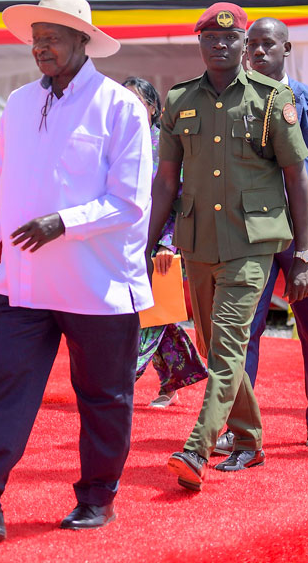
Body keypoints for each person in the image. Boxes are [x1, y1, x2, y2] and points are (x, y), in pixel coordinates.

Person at [0, 0, 153, 541]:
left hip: (97, 285)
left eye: (52, 39)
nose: (40, 48)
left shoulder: (120, 107)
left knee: (104, 398)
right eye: (35, 39)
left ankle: (97, 499)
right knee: (2, 390)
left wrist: (63, 222)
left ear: (82, 41)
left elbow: (130, 201)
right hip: (22, 283)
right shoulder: (20, 103)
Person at [151, 3, 308, 492]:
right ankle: (249, 439)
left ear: (244, 44)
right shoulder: (179, 100)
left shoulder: (272, 99)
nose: (220, 45)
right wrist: (145, 244)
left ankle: (197, 447)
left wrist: (304, 255)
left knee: (226, 346)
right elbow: (165, 181)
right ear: (199, 42)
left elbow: (297, 178)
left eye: (230, 38)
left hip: (251, 243)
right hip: (197, 241)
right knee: (211, 345)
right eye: (210, 38)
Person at [213, 17, 308, 452]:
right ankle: (240, 428)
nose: (256, 51)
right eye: (251, 44)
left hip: (307, 237)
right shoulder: (232, 101)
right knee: (245, 329)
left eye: (267, 44)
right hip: (251, 234)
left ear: (286, 49)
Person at [123, 77, 207, 408]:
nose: (128, 108)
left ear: (154, 109)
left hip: (161, 246)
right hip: (124, 244)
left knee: (148, 315)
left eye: (136, 102)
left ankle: (121, 380)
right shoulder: (115, 144)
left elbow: (181, 200)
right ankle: (175, 378)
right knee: (151, 314)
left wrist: (168, 244)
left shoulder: (166, 145)